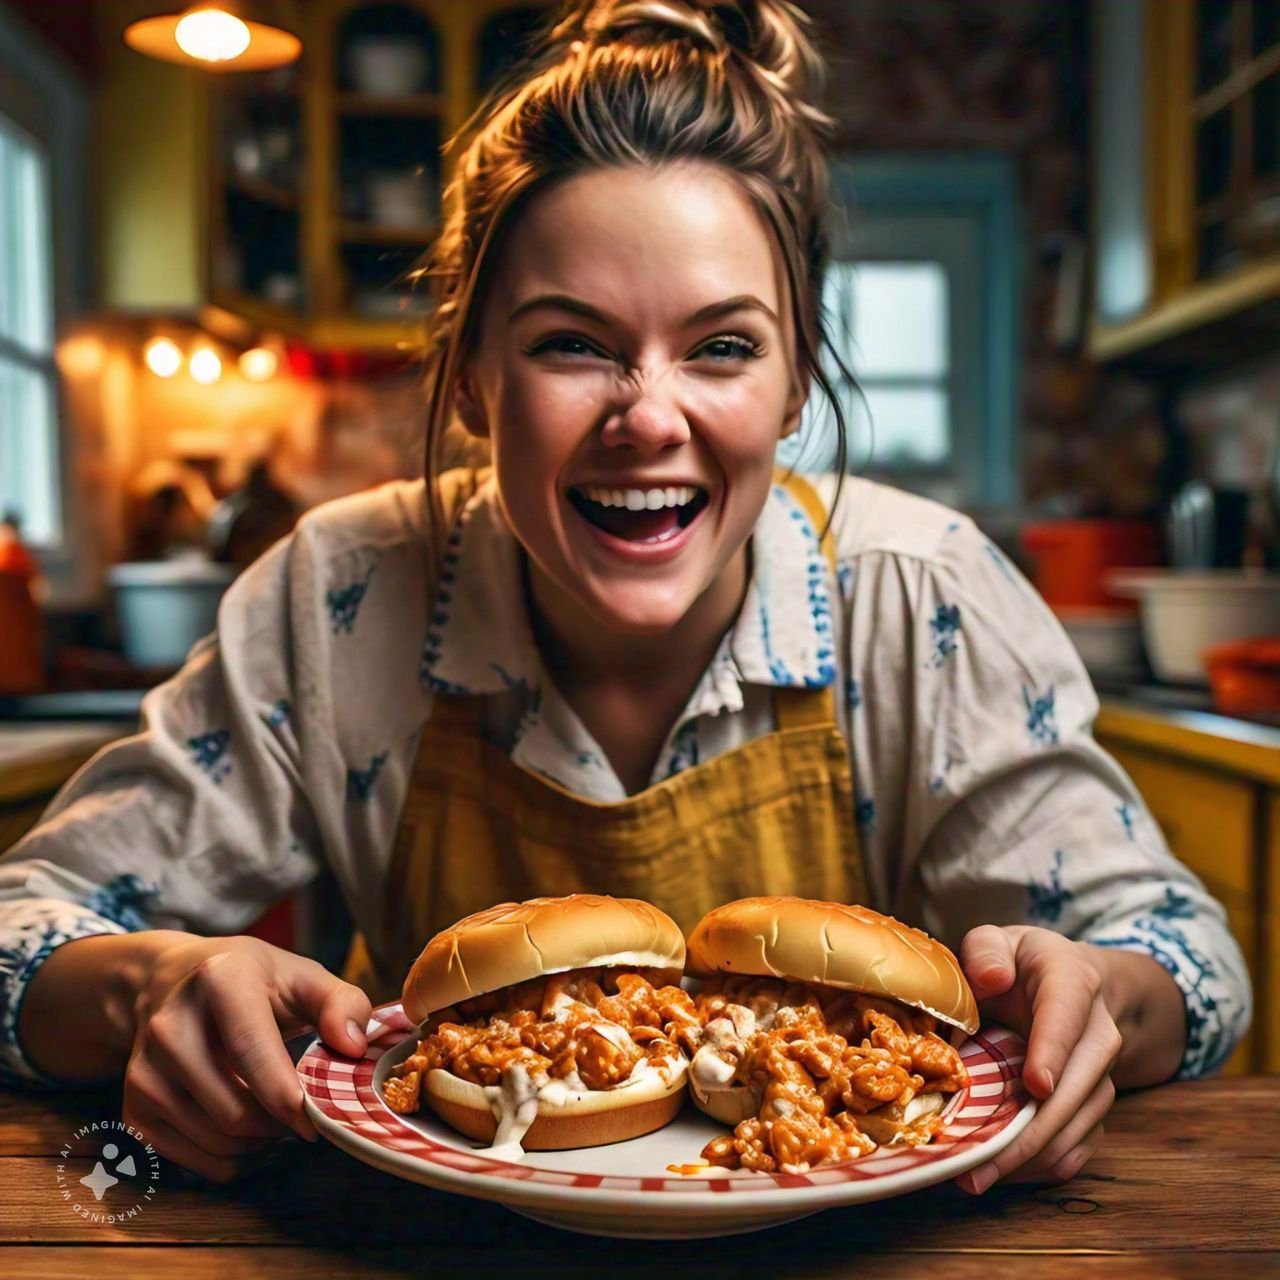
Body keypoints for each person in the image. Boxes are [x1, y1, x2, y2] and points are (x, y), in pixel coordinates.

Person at [0, 0, 1250, 1196]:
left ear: (795, 382)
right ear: (475, 375)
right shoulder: (335, 593)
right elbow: (23, 926)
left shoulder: (921, 594)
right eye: (570, 343)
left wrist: (1102, 994)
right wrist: (147, 983)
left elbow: (1185, 957)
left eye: (720, 346)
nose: (648, 416)